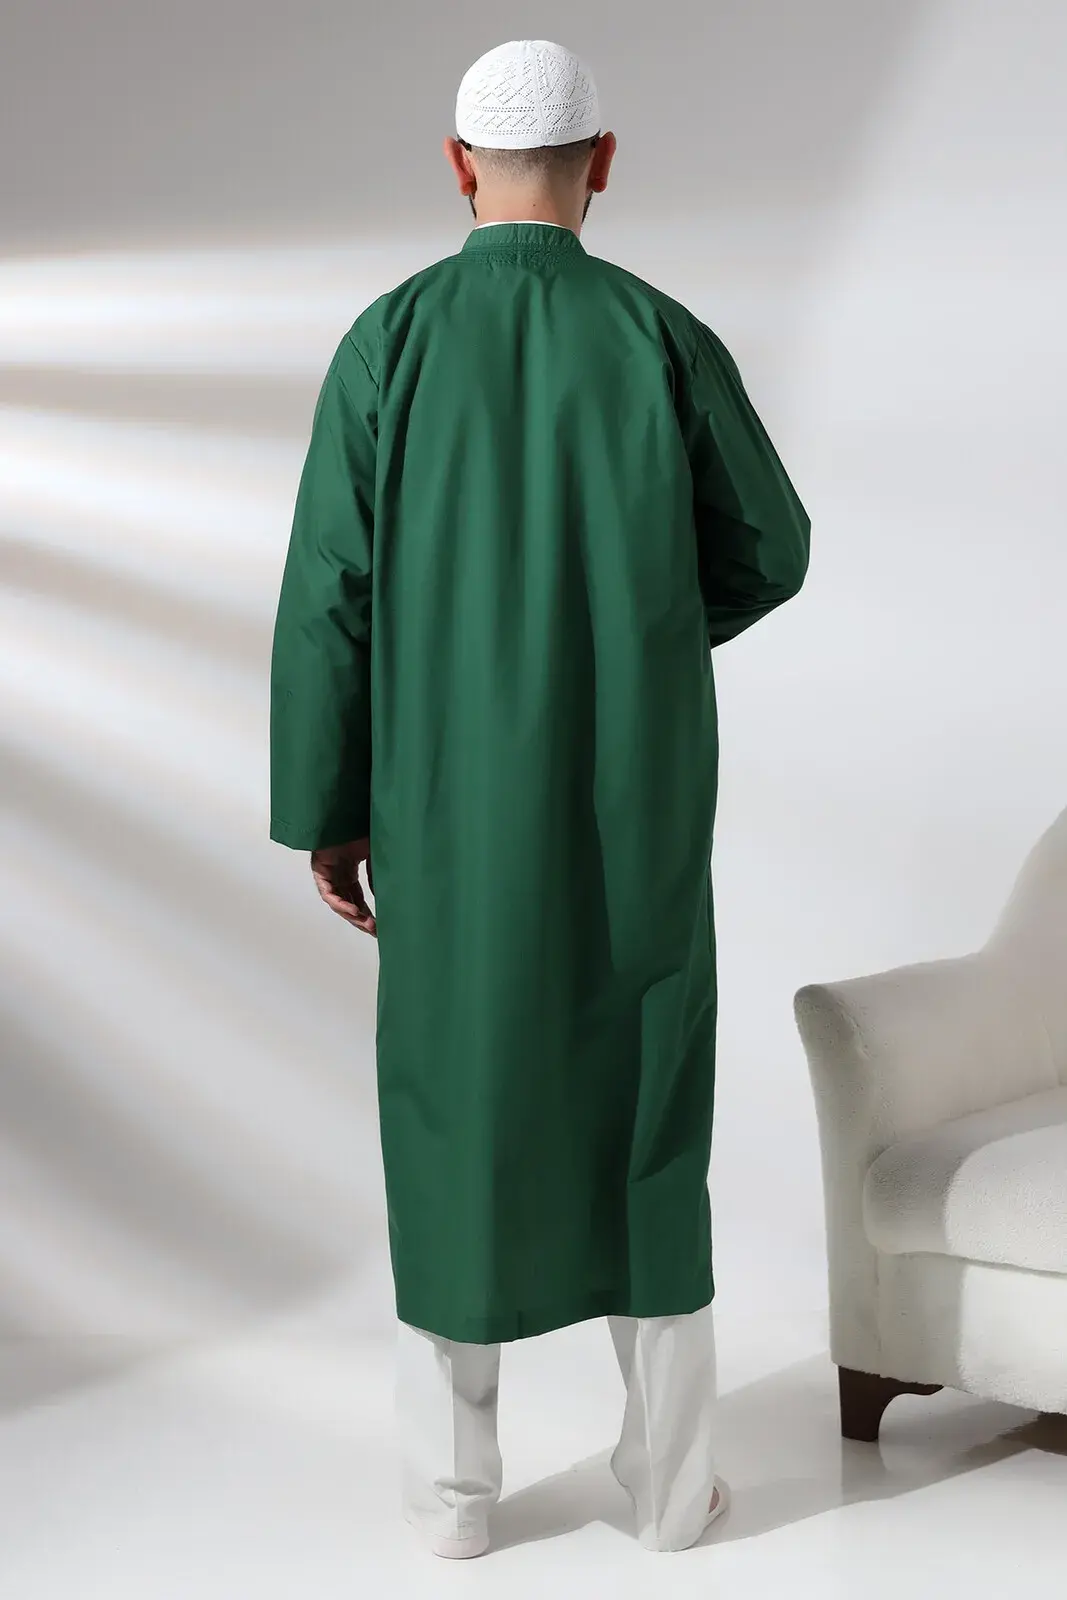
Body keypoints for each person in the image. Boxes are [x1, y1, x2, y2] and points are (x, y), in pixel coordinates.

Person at [269, 38, 810, 1557]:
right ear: (603, 163)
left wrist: (330, 807)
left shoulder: (389, 342)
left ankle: (452, 1506)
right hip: (638, 797)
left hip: (442, 808)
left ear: (456, 165)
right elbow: (771, 546)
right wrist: (640, 632)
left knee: (455, 1113)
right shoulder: (657, 335)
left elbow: (329, 597)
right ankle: (672, 1493)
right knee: (648, 1110)